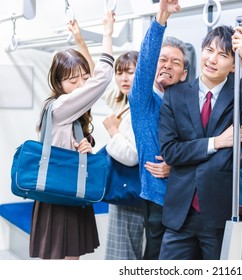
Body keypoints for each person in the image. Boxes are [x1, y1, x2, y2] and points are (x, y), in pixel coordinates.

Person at [158, 25, 242, 260]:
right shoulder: (175, 95)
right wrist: (216, 142)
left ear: (233, 65)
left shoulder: (238, 96)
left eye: (223, 55)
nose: (212, 59)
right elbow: (170, 152)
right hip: (181, 215)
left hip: (220, 213)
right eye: (209, 50)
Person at [29, 11, 115, 260]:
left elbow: (92, 79)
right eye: (72, 81)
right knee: (65, 262)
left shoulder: (67, 107)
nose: (80, 86)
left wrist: (86, 144)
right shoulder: (61, 105)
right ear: (58, 83)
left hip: (68, 186)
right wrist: (107, 33)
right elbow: (101, 78)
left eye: (83, 79)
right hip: (61, 191)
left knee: (69, 261)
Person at [129, 0, 188, 260]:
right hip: (157, 200)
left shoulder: (191, 107)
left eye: (175, 62)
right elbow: (145, 63)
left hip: (191, 201)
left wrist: (174, 168)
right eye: (162, 60)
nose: (167, 65)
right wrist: (161, 17)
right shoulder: (143, 102)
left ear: (184, 74)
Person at [100, 51, 145, 260]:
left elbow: (132, 155)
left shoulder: (139, 109)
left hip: (130, 194)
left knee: (122, 255)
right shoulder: (128, 103)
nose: (123, 78)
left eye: (130, 72)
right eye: (119, 73)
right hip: (128, 192)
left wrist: (112, 131)